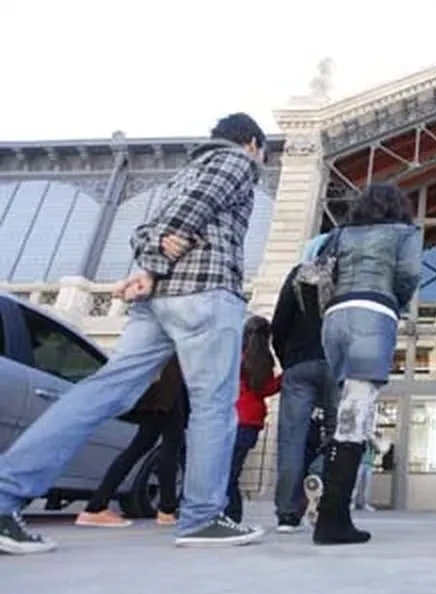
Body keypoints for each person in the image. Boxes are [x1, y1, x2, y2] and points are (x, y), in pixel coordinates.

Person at [0, 112, 268, 555]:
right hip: (205, 295)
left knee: (102, 392)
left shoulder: (180, 175)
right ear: (253, 143)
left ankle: (7, 494)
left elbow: (146, 232)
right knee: (214, 409)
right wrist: (159, 259)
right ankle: (202, 518)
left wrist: (149, 269)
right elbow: (185, 218)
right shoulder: (236, 161)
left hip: (157, 303)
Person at [307, 182, 421, 546]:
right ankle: (333, 520)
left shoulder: (340, 234)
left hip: (335, 317)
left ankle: (330, 512)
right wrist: (395, 303)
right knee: (355, 415)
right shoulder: (405, 233)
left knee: (346, 410)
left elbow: (321, 271)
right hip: (373, 314)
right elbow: (408, 276)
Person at [270, 231, 340, 533]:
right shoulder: (350, 278)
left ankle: (287, 513)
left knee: (291, 441)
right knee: (340, 437)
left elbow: (279, 324)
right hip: (338, 364)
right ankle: (323, 486)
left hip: (299, 364)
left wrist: (290, 360)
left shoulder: (298, 274)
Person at [74, 355, 187, 528]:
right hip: (168, 391)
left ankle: (97, 505)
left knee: (140, 447)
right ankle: (166, 510)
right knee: (169, 448)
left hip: (157, 391)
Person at [226, 316, 282, 524]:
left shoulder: (234, 355)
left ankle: (229, 517)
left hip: (229, 417)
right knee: (234, 471)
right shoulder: (263, 359)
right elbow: (266, 389)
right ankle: (233, 517)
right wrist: (284, 378)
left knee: (225, 472)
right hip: (251, 422)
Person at [351, 439, 378, 512]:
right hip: (360, 463)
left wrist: (374, 442)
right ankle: (352, 502)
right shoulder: (361, 441)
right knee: (356, 484)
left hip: (369, 464)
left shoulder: (372, 443)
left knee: (367, 486)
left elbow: (377, 451)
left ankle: (365, 503)